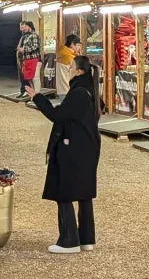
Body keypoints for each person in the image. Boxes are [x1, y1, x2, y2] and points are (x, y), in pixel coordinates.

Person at [32, 54, 100, 254]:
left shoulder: (78, 93)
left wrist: (38, 98)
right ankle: (87, 239)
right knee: (84, 193)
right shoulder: (90, 91)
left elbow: (57, 115)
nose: (69, 69)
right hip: (88, 148)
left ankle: (69, 240)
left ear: (79, 71)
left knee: (64, 191)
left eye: (71, 67)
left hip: (74, 149)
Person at [16, 21, 41, 98]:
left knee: (35, 78)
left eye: (25, 26)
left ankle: (38, 96)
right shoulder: (26, 36)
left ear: (29, 27)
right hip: (27, 60)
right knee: (29, 78)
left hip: (34, 59)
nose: (23, 29)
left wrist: (24, 50)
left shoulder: (34, 35)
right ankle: (33, 95)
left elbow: (35, 47)